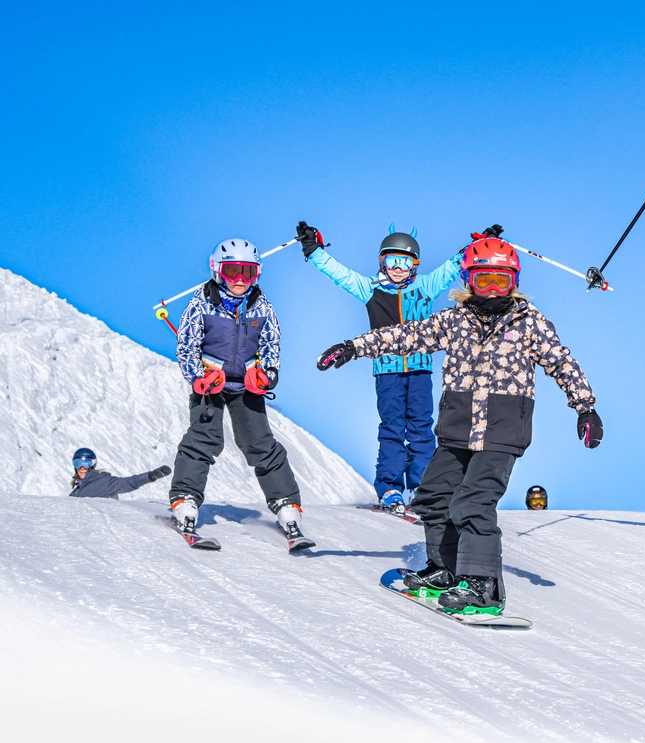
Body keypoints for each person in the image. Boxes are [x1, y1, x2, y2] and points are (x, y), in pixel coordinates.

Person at [317, 235, 602, 613]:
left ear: (514, 281)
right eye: (483, 280)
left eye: (501, 280)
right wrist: (354, 346)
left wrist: (585, 408)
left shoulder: (529, 322)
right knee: (433, 496)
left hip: (502, 430)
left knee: (473, 501)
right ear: (468, 280)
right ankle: (446, 570)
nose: (492, 289)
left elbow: (562, 363)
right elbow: (407, 335)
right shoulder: (454, 319)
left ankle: (483, 585)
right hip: (457, 427)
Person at [295, 222, 462, 515]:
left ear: (415, 265)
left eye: (405, 261)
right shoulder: (369, 288)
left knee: (422, 429)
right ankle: (390, 488)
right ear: (381, 262)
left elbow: (451, 267)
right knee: (393, 428)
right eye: (391, 260)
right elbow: (339, 274)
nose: (398, 268)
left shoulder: (426, 286)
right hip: (387, 371)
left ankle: (422, 488)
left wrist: (480, 247)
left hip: (420, 370)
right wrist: (314, 250)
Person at [168, 238, 311, 552]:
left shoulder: (262, 307)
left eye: (248, 272)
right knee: (205, 437)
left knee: (258, 442)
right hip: (211, 384)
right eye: (233, 271)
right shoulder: (202, 303)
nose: (240, 280)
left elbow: (271, 349)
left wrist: (266, 376)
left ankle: (286, 503)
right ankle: (185, 498)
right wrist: (199, 377)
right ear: (218, 271)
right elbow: (186, 347)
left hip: (245, 385)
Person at [69, 447, 170, 498]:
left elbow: (128, 483)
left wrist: (151, 475)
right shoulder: (75, 491)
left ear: (93, 465)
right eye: (78, 463)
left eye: (86, 463)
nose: (82, 468)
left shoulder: (104, 482)